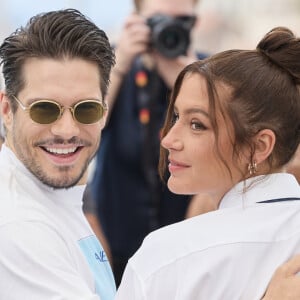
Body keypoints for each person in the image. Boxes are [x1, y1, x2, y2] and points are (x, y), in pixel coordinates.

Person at [115, 26, 300, 299]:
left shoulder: (168, 258)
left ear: (259, 146)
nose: (168, 140)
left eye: (197, 125)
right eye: (176, 116)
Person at [88, 0, 207, 285]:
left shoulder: (209, 73)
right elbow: (85, 131)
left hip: (187, 251)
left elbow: (228, 141)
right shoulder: (115, 68)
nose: (170, 28)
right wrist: (118, 63)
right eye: (158, 20)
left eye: (182, 21)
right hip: (116, 246)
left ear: (196, 23)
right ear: (135, 21)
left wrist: (187, 80)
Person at [0, 9, 116, 300]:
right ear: (6, 110)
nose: (66, 130)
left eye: (86, 109)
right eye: (44, 109)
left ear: (104, 111)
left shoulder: (51, 200)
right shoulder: (18, 227)